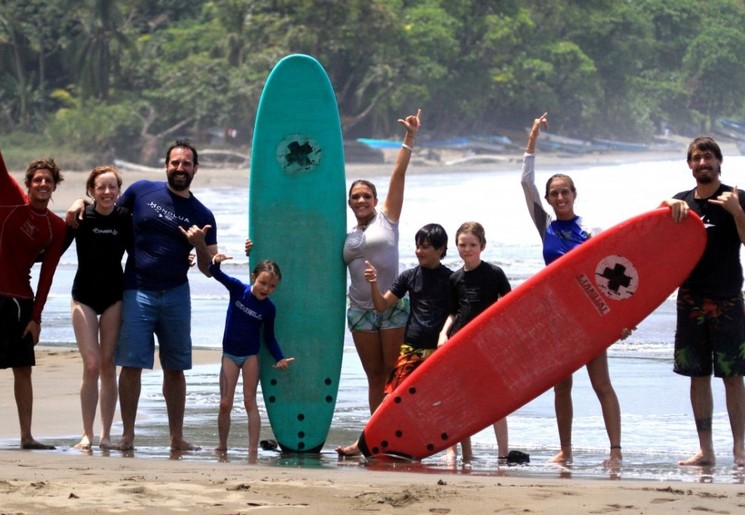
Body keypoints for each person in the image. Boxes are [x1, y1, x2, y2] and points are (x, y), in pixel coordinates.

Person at [66, 140, 218, 451]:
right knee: (131, 365)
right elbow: (106, 206)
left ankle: (177, 437)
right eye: (175, 163)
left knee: (175, 369)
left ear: (195, 169)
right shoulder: (142, 191)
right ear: (166, 166)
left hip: (176, 293)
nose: (180, 168)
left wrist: (200, 246)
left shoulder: (203, 214)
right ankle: (127, 435)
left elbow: (208, 269)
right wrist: (78, 203)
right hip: (136, 289)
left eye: (186, 164)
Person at [521, 113, 623, 466]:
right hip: (557, 316)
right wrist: (532, 138)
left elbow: (613, 279)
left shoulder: (591, 230)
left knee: (600, 384)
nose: (560, 196)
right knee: (561, 385)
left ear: (574, 195)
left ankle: (615, 452)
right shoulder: (545, 225)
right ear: (548, 200)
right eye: (554, 193)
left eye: (565, 191)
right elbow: (525, 183)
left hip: (590, 315)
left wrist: (622, 320)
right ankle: (566, 449)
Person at [660, 136, 745, 467]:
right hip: (690, 301)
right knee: (698, 376)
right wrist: (666, 204)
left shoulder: (735, 198)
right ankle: (706, 450)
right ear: (690, 165)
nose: (703, 163)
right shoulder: (682, 203)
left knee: (733, 375)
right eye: (697, 158)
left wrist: (737, 212)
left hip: (727, 301)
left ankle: (740, 449)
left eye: (708, 157)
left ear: (719, 162)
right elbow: (646, 234)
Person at [337, 223, 452, 456]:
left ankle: (449, 451)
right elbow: (381, 306)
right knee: (390, 399)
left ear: (441, 249)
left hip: (438, 349)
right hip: (411, 347)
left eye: (426, 247)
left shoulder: (452, 279)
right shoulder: (409, 277)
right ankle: (364, 445)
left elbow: (457, 311)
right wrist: (373, 284)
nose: (420, 251)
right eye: (418, 246)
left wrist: (445, 335)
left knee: (440, 401)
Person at [343, 109, 420, 414]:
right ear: (349, 202)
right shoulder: (344, 233)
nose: (361, 201)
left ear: (376, 200)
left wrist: (409, 137)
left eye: (366, 196)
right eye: (355, 197)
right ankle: (376, 434)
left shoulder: (388, 220)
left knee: (393, 374)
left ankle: (400, 427)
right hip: (360, 312)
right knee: (373, 377)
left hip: (391, 305)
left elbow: (397, 175)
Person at [0, 149, 66, 450]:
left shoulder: (56, 226)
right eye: (37, 180)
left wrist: (36, 319)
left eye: (48, 181)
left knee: (23, 370)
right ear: (28, 184)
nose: (42, 184)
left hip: (21, 303)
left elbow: (47, 277)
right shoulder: (11, 198)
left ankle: (26, 436)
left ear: (54, 186)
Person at [65, 165, 132, 450]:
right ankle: (86, 433)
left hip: (114, 297)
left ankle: (105, 435)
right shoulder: (82, 216)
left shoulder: (124, 217)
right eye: (100, 187)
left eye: (112, 187)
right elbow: (53, 249)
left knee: (108, 365)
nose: (106, 192)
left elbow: (143, 253)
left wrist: (184, 257)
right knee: (91, 365)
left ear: (118, 190)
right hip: (84, 297)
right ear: (91, 191)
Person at [209, 251, 294, 460]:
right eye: (263, 283)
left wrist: (279, 358)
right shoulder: (238, 289)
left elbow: (269, 338)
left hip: (250, 357)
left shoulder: (269, 309)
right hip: (230, 354)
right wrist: (216, 263)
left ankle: (252, 449)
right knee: (224, 403)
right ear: (253, 277)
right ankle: (222, 445)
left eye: (272, 286)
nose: (266, 289)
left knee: (249, 401)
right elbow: (215, 274)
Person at [439, 222, 512, 464]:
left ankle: (503, 453)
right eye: (462, 245)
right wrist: (443, 334)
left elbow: (510, 306)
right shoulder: (455, 278)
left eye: (472, 245)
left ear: (483, 246)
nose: (467, 249)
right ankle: (460, 453)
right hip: (459, 342)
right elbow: (453, 312)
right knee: (459, 399)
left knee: (494, 400)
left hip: (487, 345)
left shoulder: (494, 274)